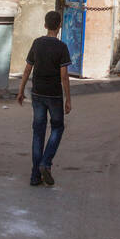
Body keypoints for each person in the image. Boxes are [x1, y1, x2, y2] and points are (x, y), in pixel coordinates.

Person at [17, 10, 72, 187]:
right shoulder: (61, 47)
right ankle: (45, 163)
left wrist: (21, 90)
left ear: (45, 25)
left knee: (38, 132)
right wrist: (68, 98)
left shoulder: (37, 43)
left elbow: (27, 69)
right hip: (54, 95)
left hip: (37, 94)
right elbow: (64, 76)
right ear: (59, 26)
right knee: (57, 127)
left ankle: (35, 176)